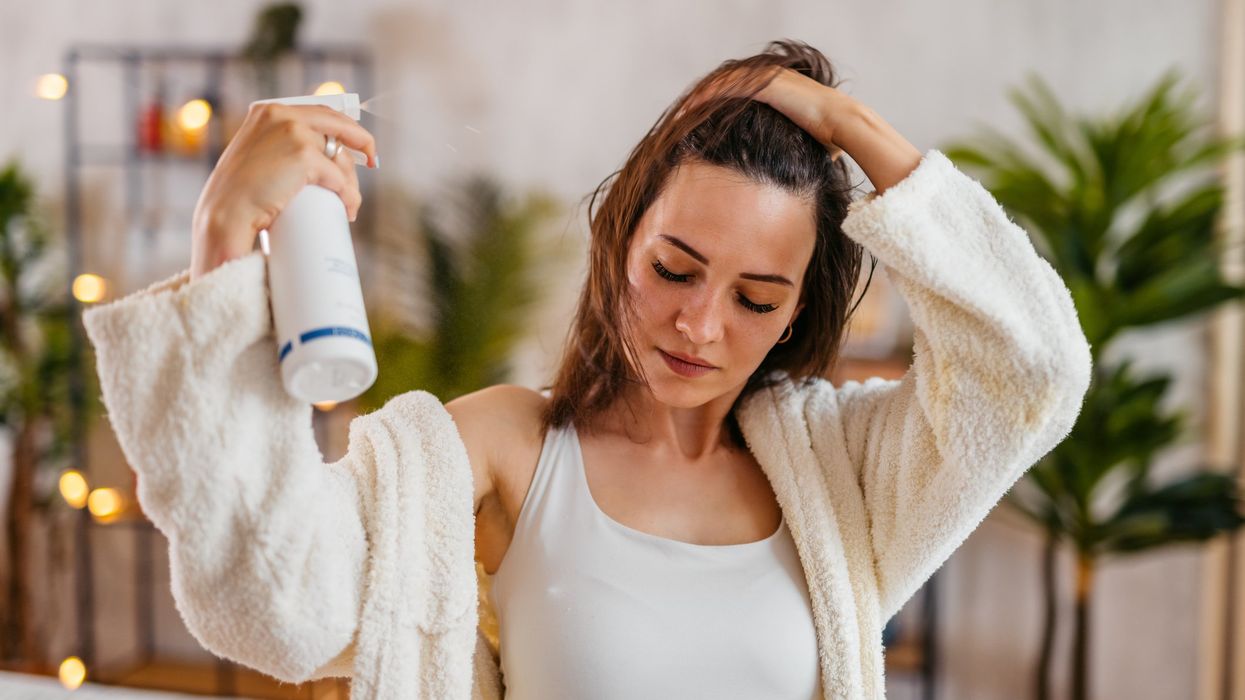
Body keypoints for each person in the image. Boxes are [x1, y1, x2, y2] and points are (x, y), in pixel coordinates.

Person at [83, 39, 1092, 699]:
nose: (700, 323)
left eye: (755, 298)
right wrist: (223, 230)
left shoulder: (840, 471)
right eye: (676, 268)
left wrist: (845, 126)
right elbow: (272, 608)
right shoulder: (499, 449)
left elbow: (1033, 370)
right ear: (620, 239)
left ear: (794, 315)